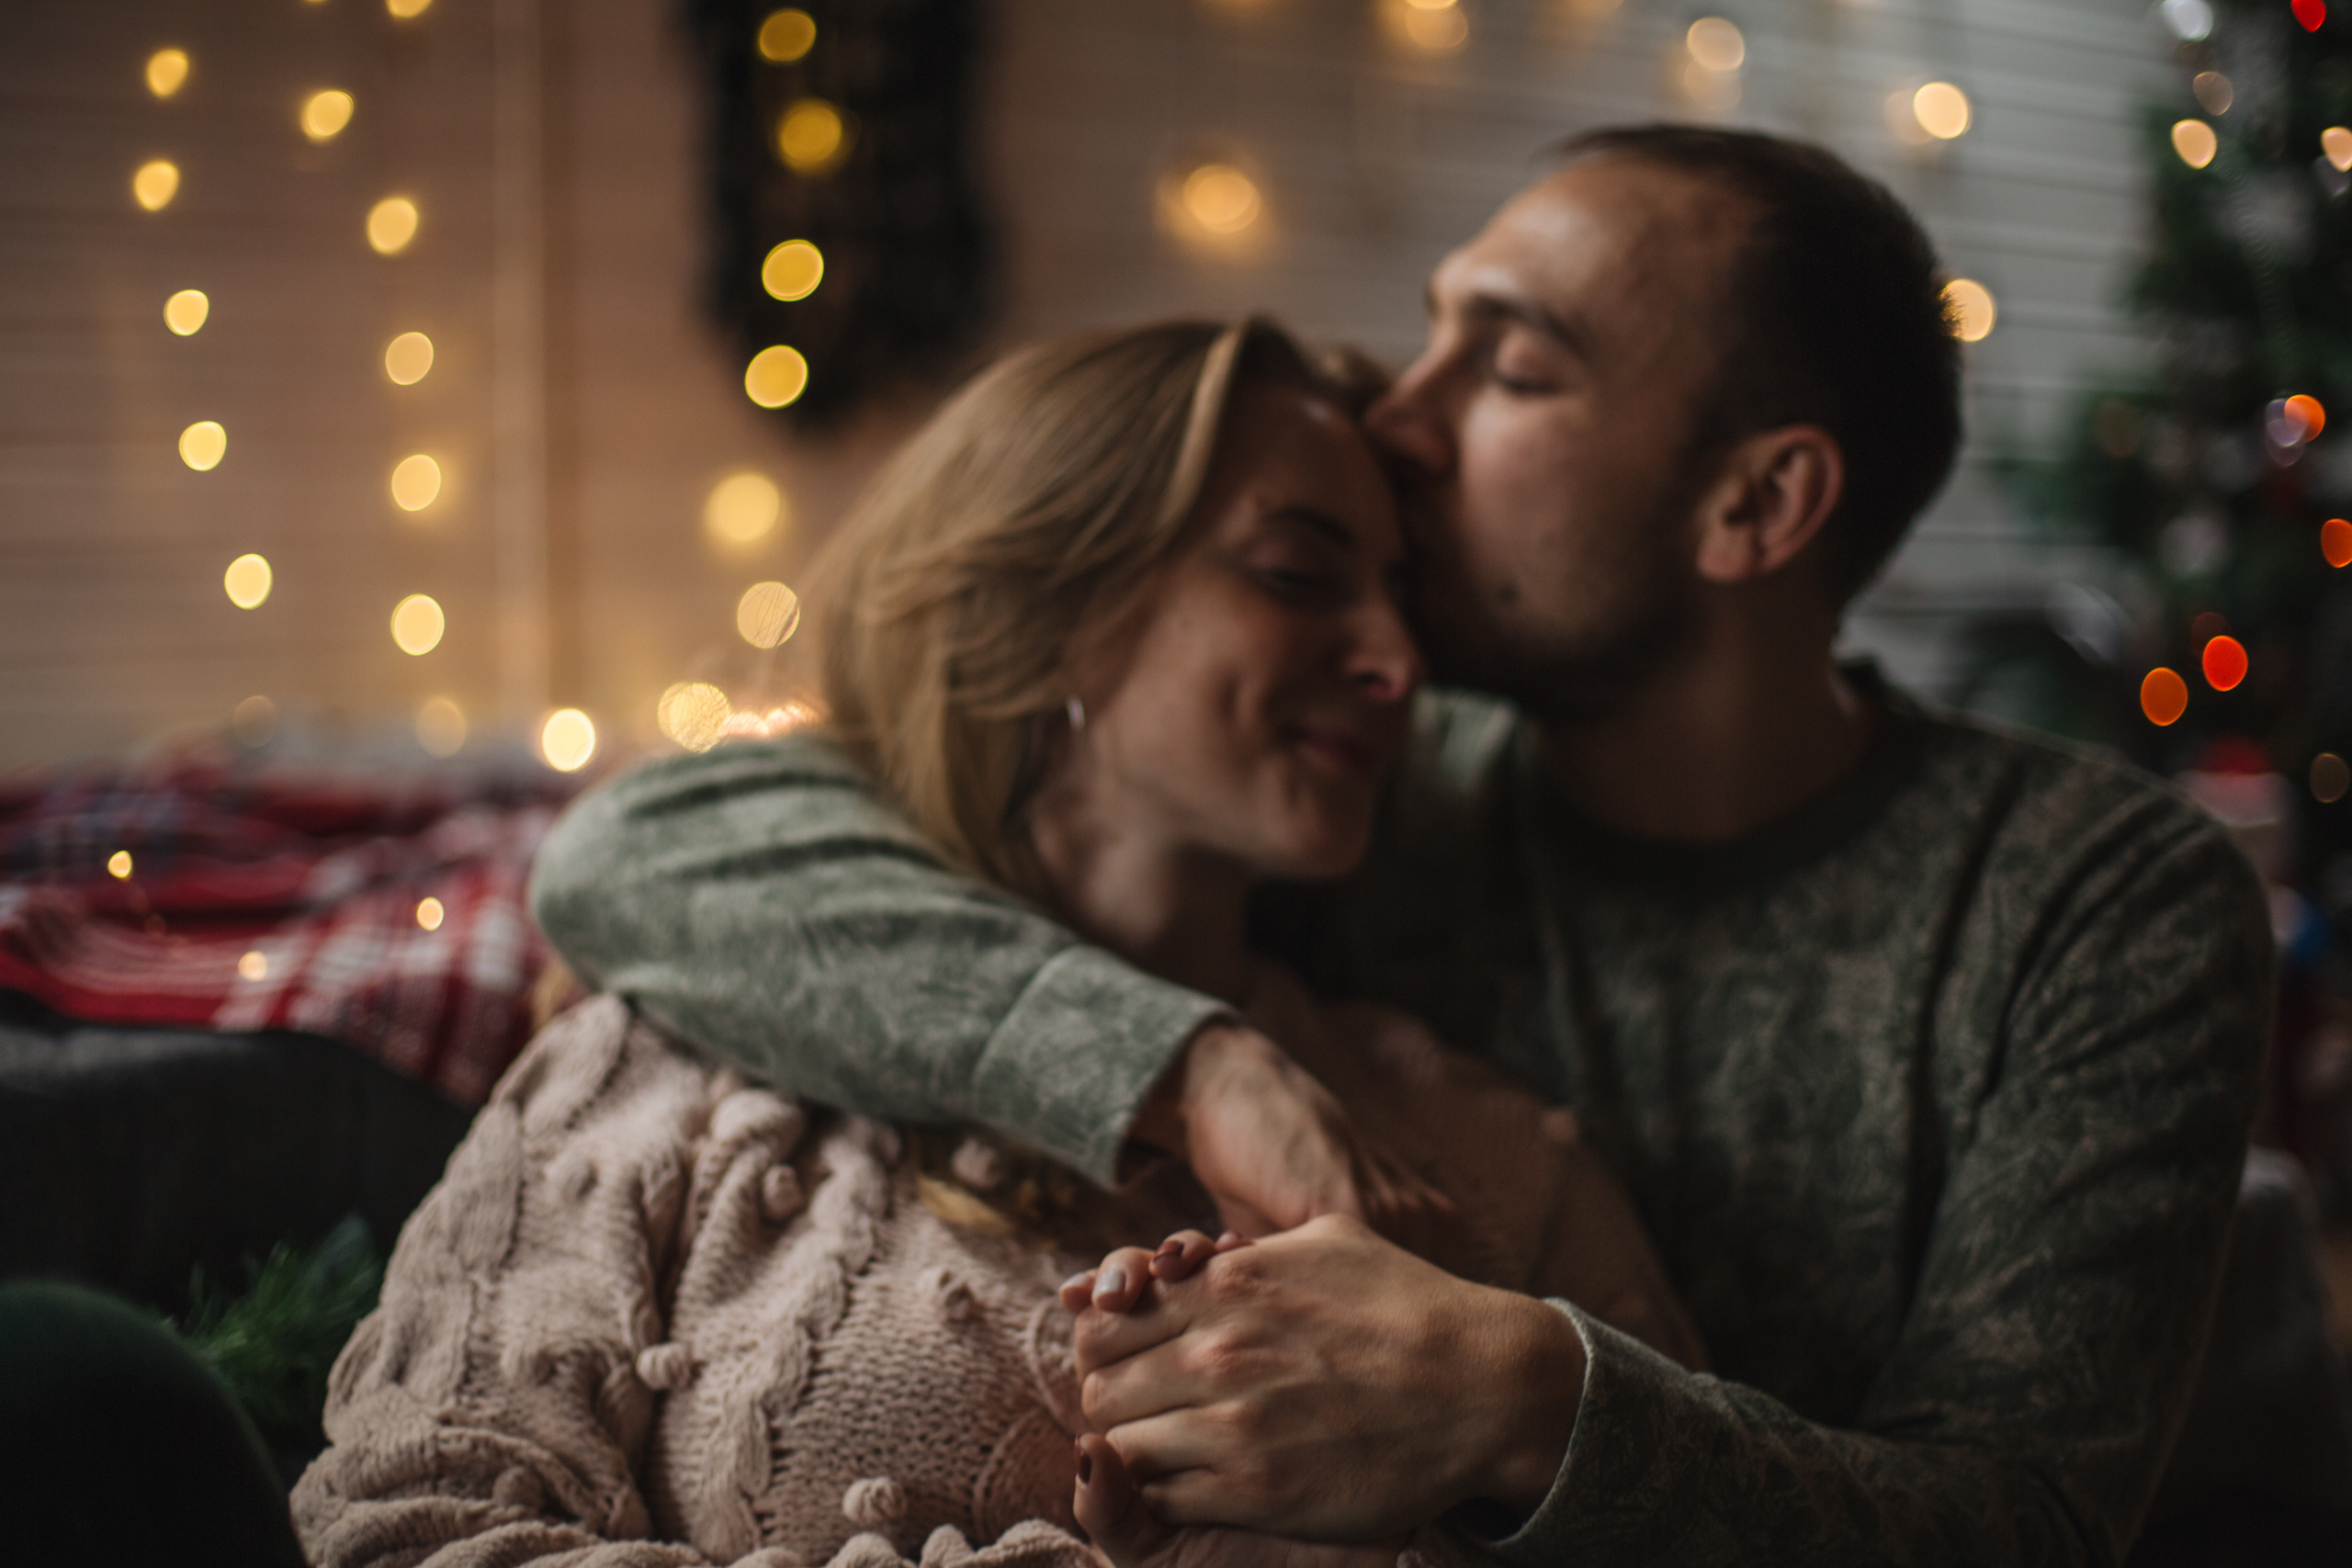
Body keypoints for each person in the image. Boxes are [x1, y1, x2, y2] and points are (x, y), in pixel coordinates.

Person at [530, 125, 2276, 1564]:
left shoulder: (2098, 906)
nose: (1400, 419)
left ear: (1758, 505)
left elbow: (2025, 1528)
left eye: (1509, 367)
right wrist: (1193, 1061)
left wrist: (1527, 1400)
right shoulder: (1366, 773)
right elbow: (649, 846)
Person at [294, 318, 1700, 1568]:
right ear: (1045, 608)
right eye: (1295, 572)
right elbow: (403, 1527)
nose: (1396, 663)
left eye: (1405, 607)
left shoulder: (1493, 1171)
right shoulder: (664, 1052)